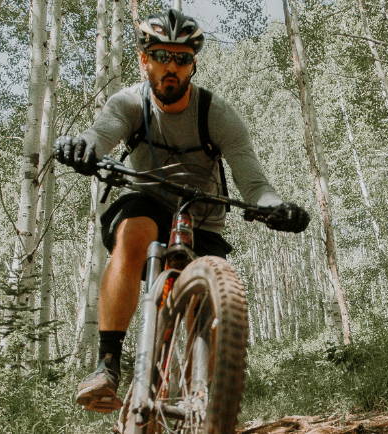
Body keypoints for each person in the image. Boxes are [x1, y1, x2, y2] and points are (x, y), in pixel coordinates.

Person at [53, 8, 309, 413]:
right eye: (160, 56)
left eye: (182, 58)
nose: (170, 67)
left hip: (202, 215)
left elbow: (254, 183)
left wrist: (278, 208)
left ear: (193, 64)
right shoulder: (129, 103)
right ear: (144, 60)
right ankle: (107, 365)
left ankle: (205, 389)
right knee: (135, 229)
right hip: (147, 201)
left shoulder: (216, 113)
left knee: (210, 300)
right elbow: (100, 134)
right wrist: (84, 147)